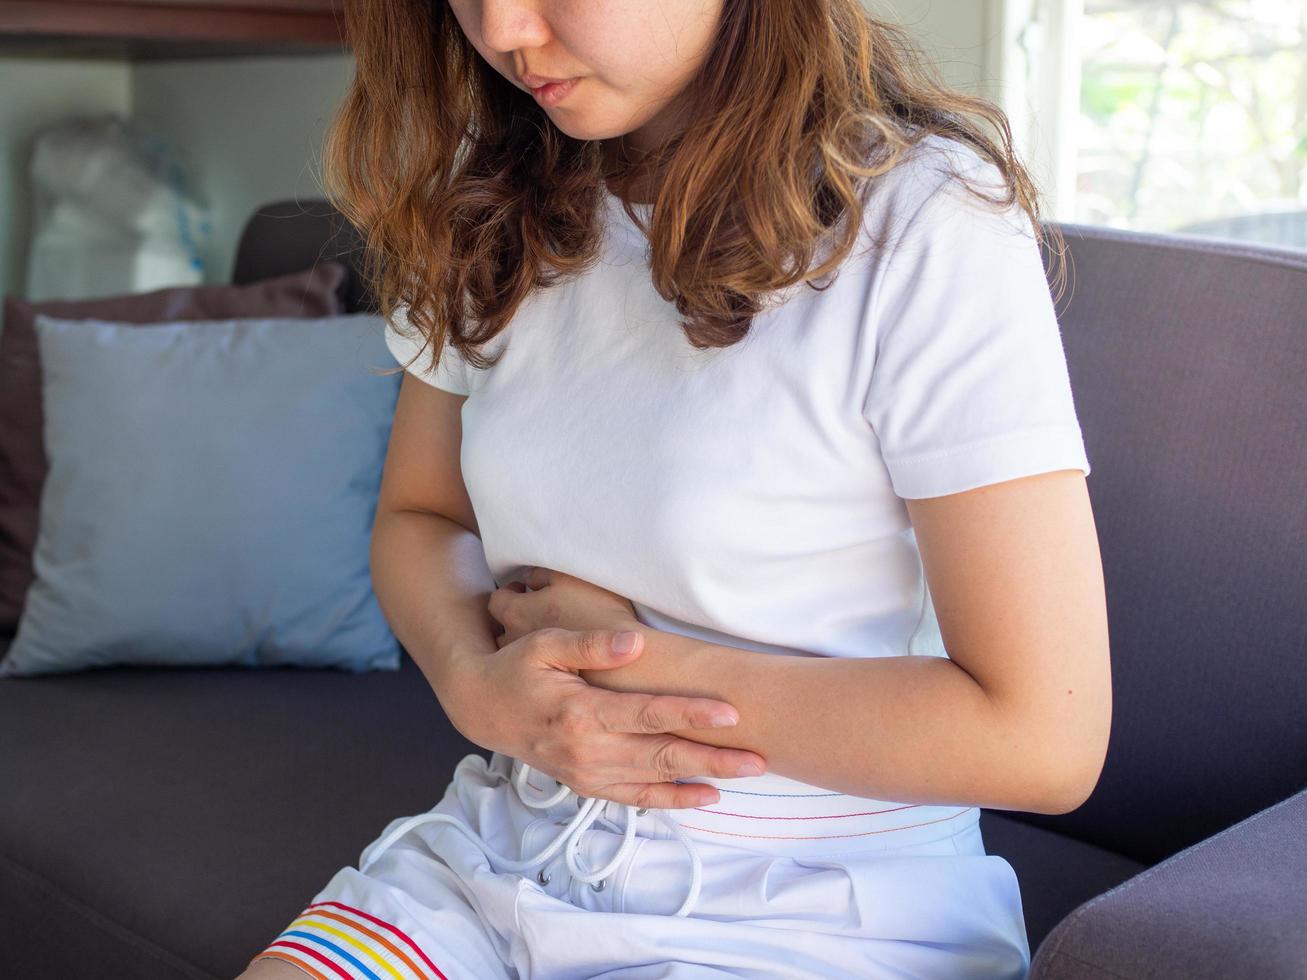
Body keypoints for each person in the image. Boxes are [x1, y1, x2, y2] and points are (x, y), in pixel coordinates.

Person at [240, 0, 1112, 977]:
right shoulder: (488, 200)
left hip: (810, 912)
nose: (503, 31)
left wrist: (641, 673)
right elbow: (419, 514)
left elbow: (1042, 734)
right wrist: (479, 689)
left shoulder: (920, 216)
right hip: (497, 854)